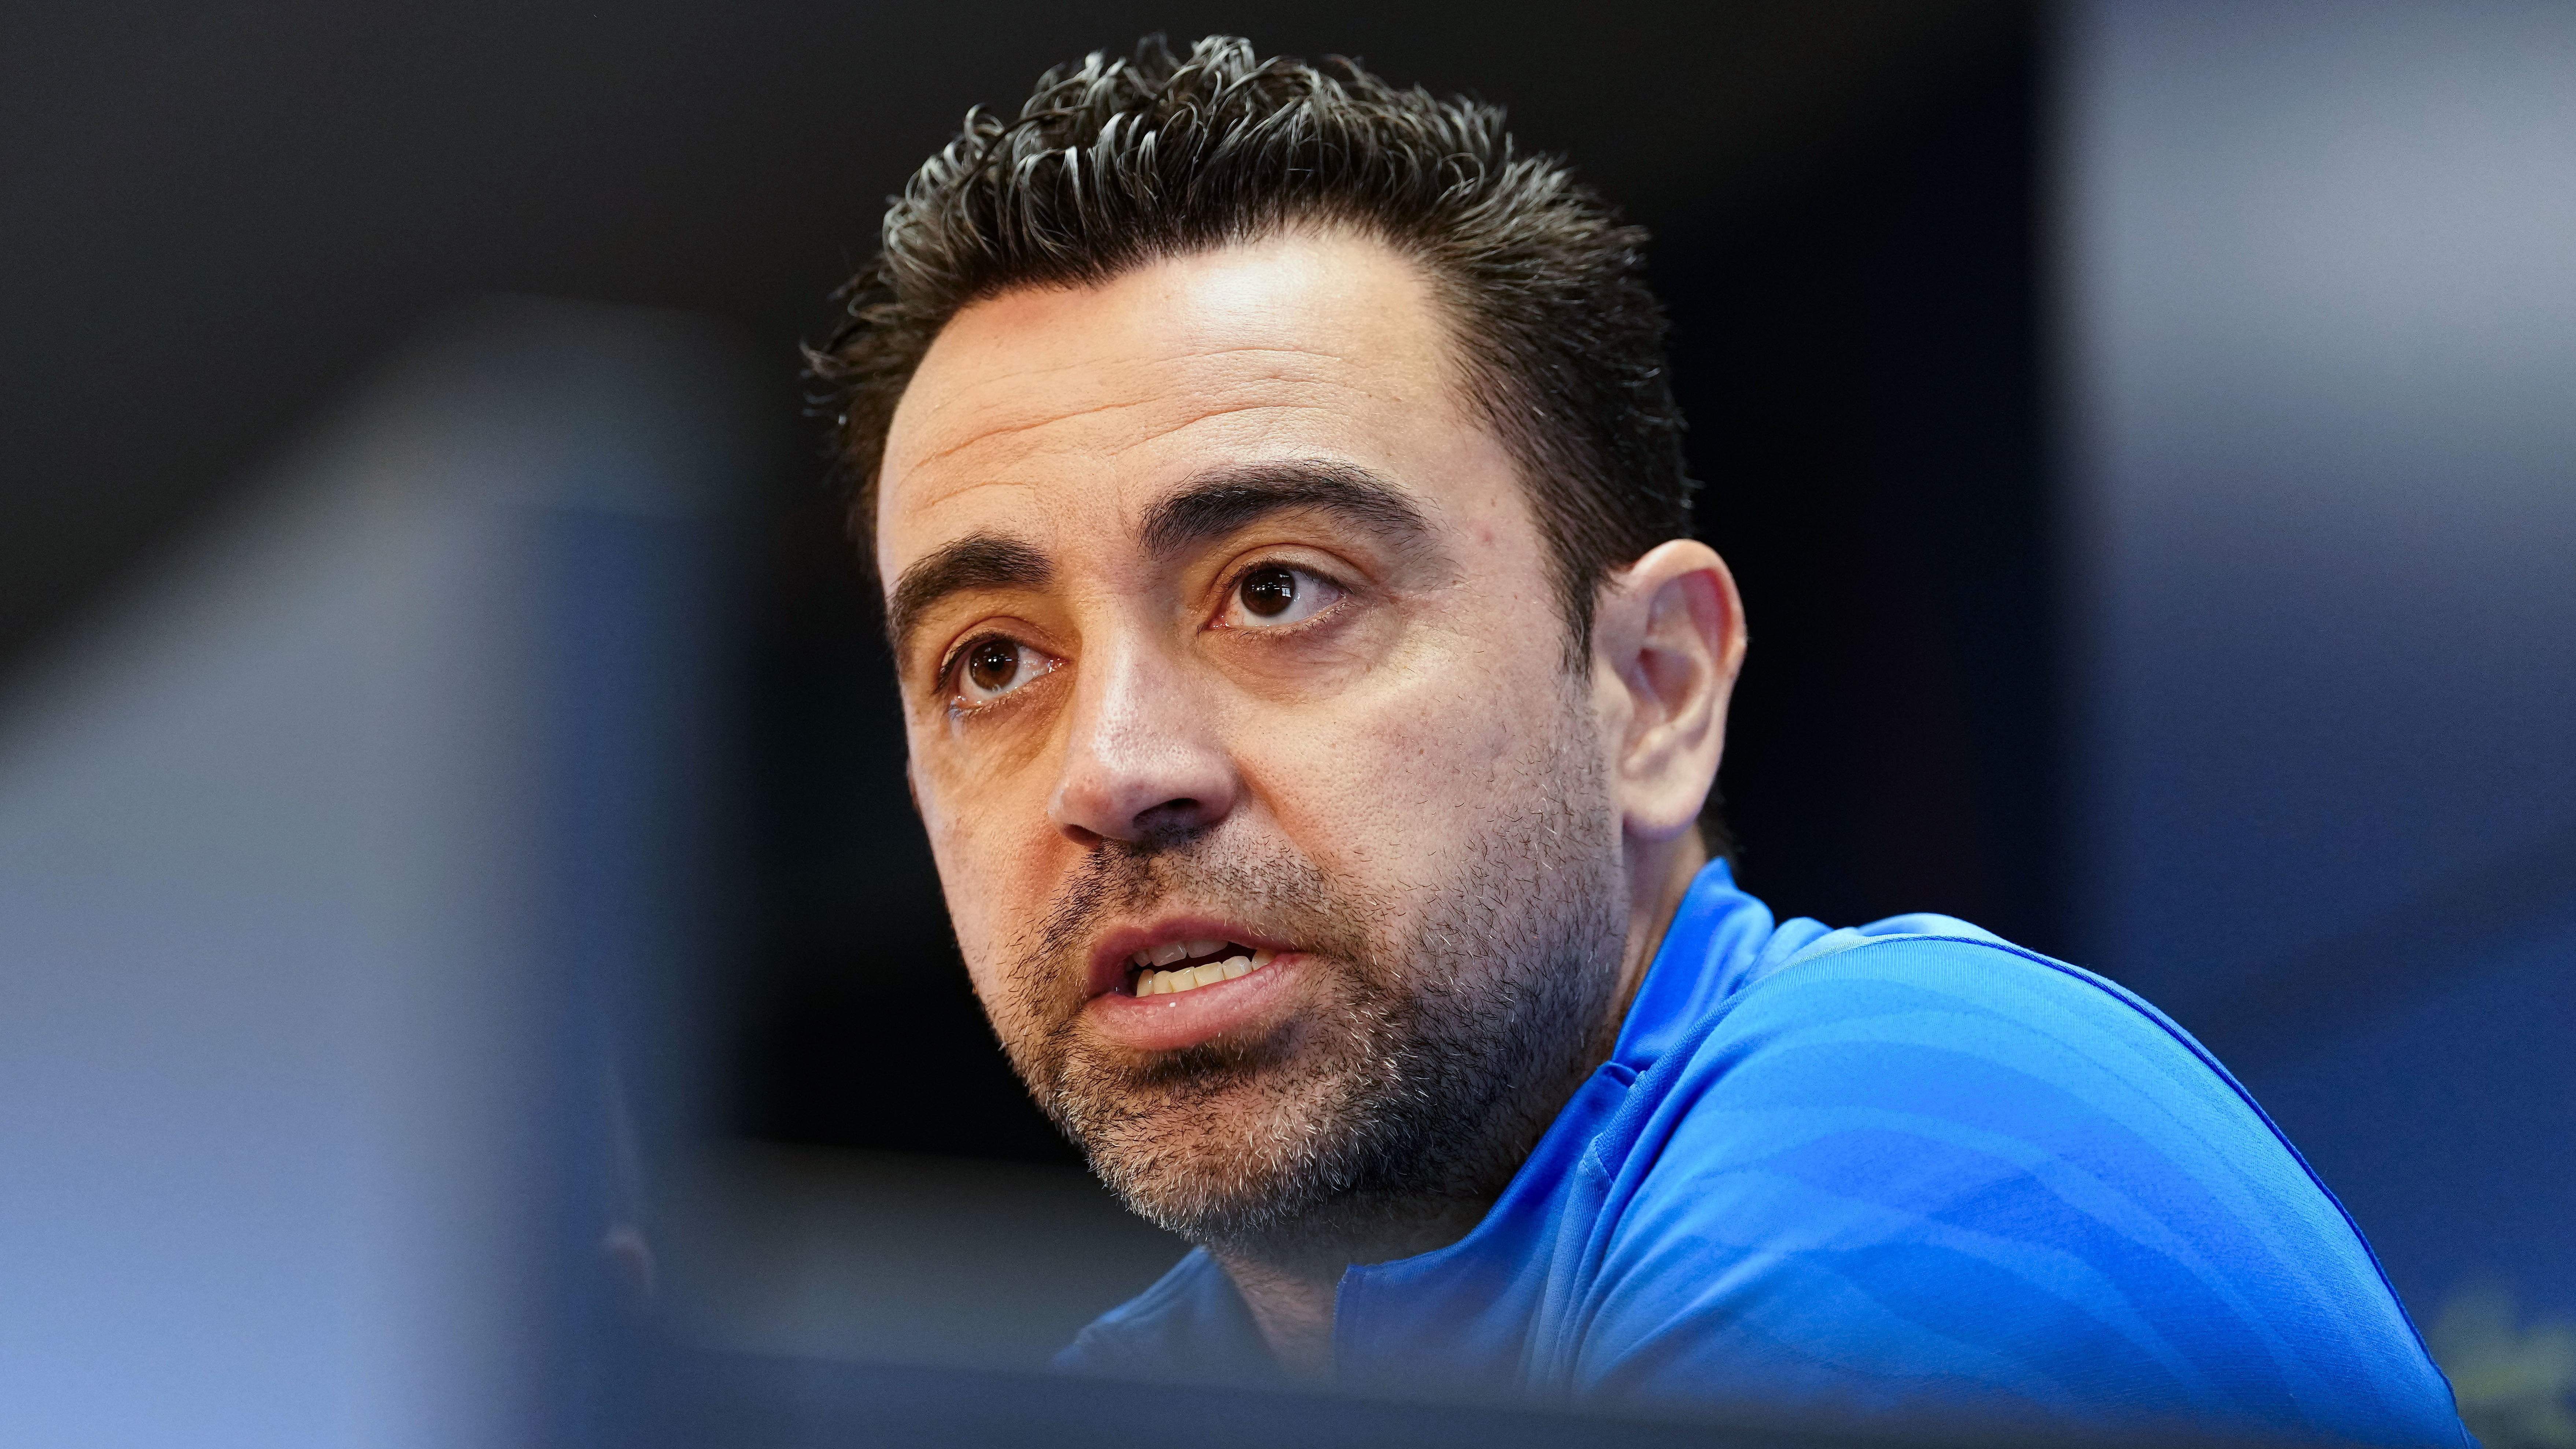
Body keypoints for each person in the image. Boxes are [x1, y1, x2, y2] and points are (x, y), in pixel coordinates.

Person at [809, 35, 2468, 1444]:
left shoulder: (1919, 1129)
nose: (1113, 767)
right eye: (992, 661)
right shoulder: (1144, 1383)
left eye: (1279, 588)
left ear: (1654, 689)